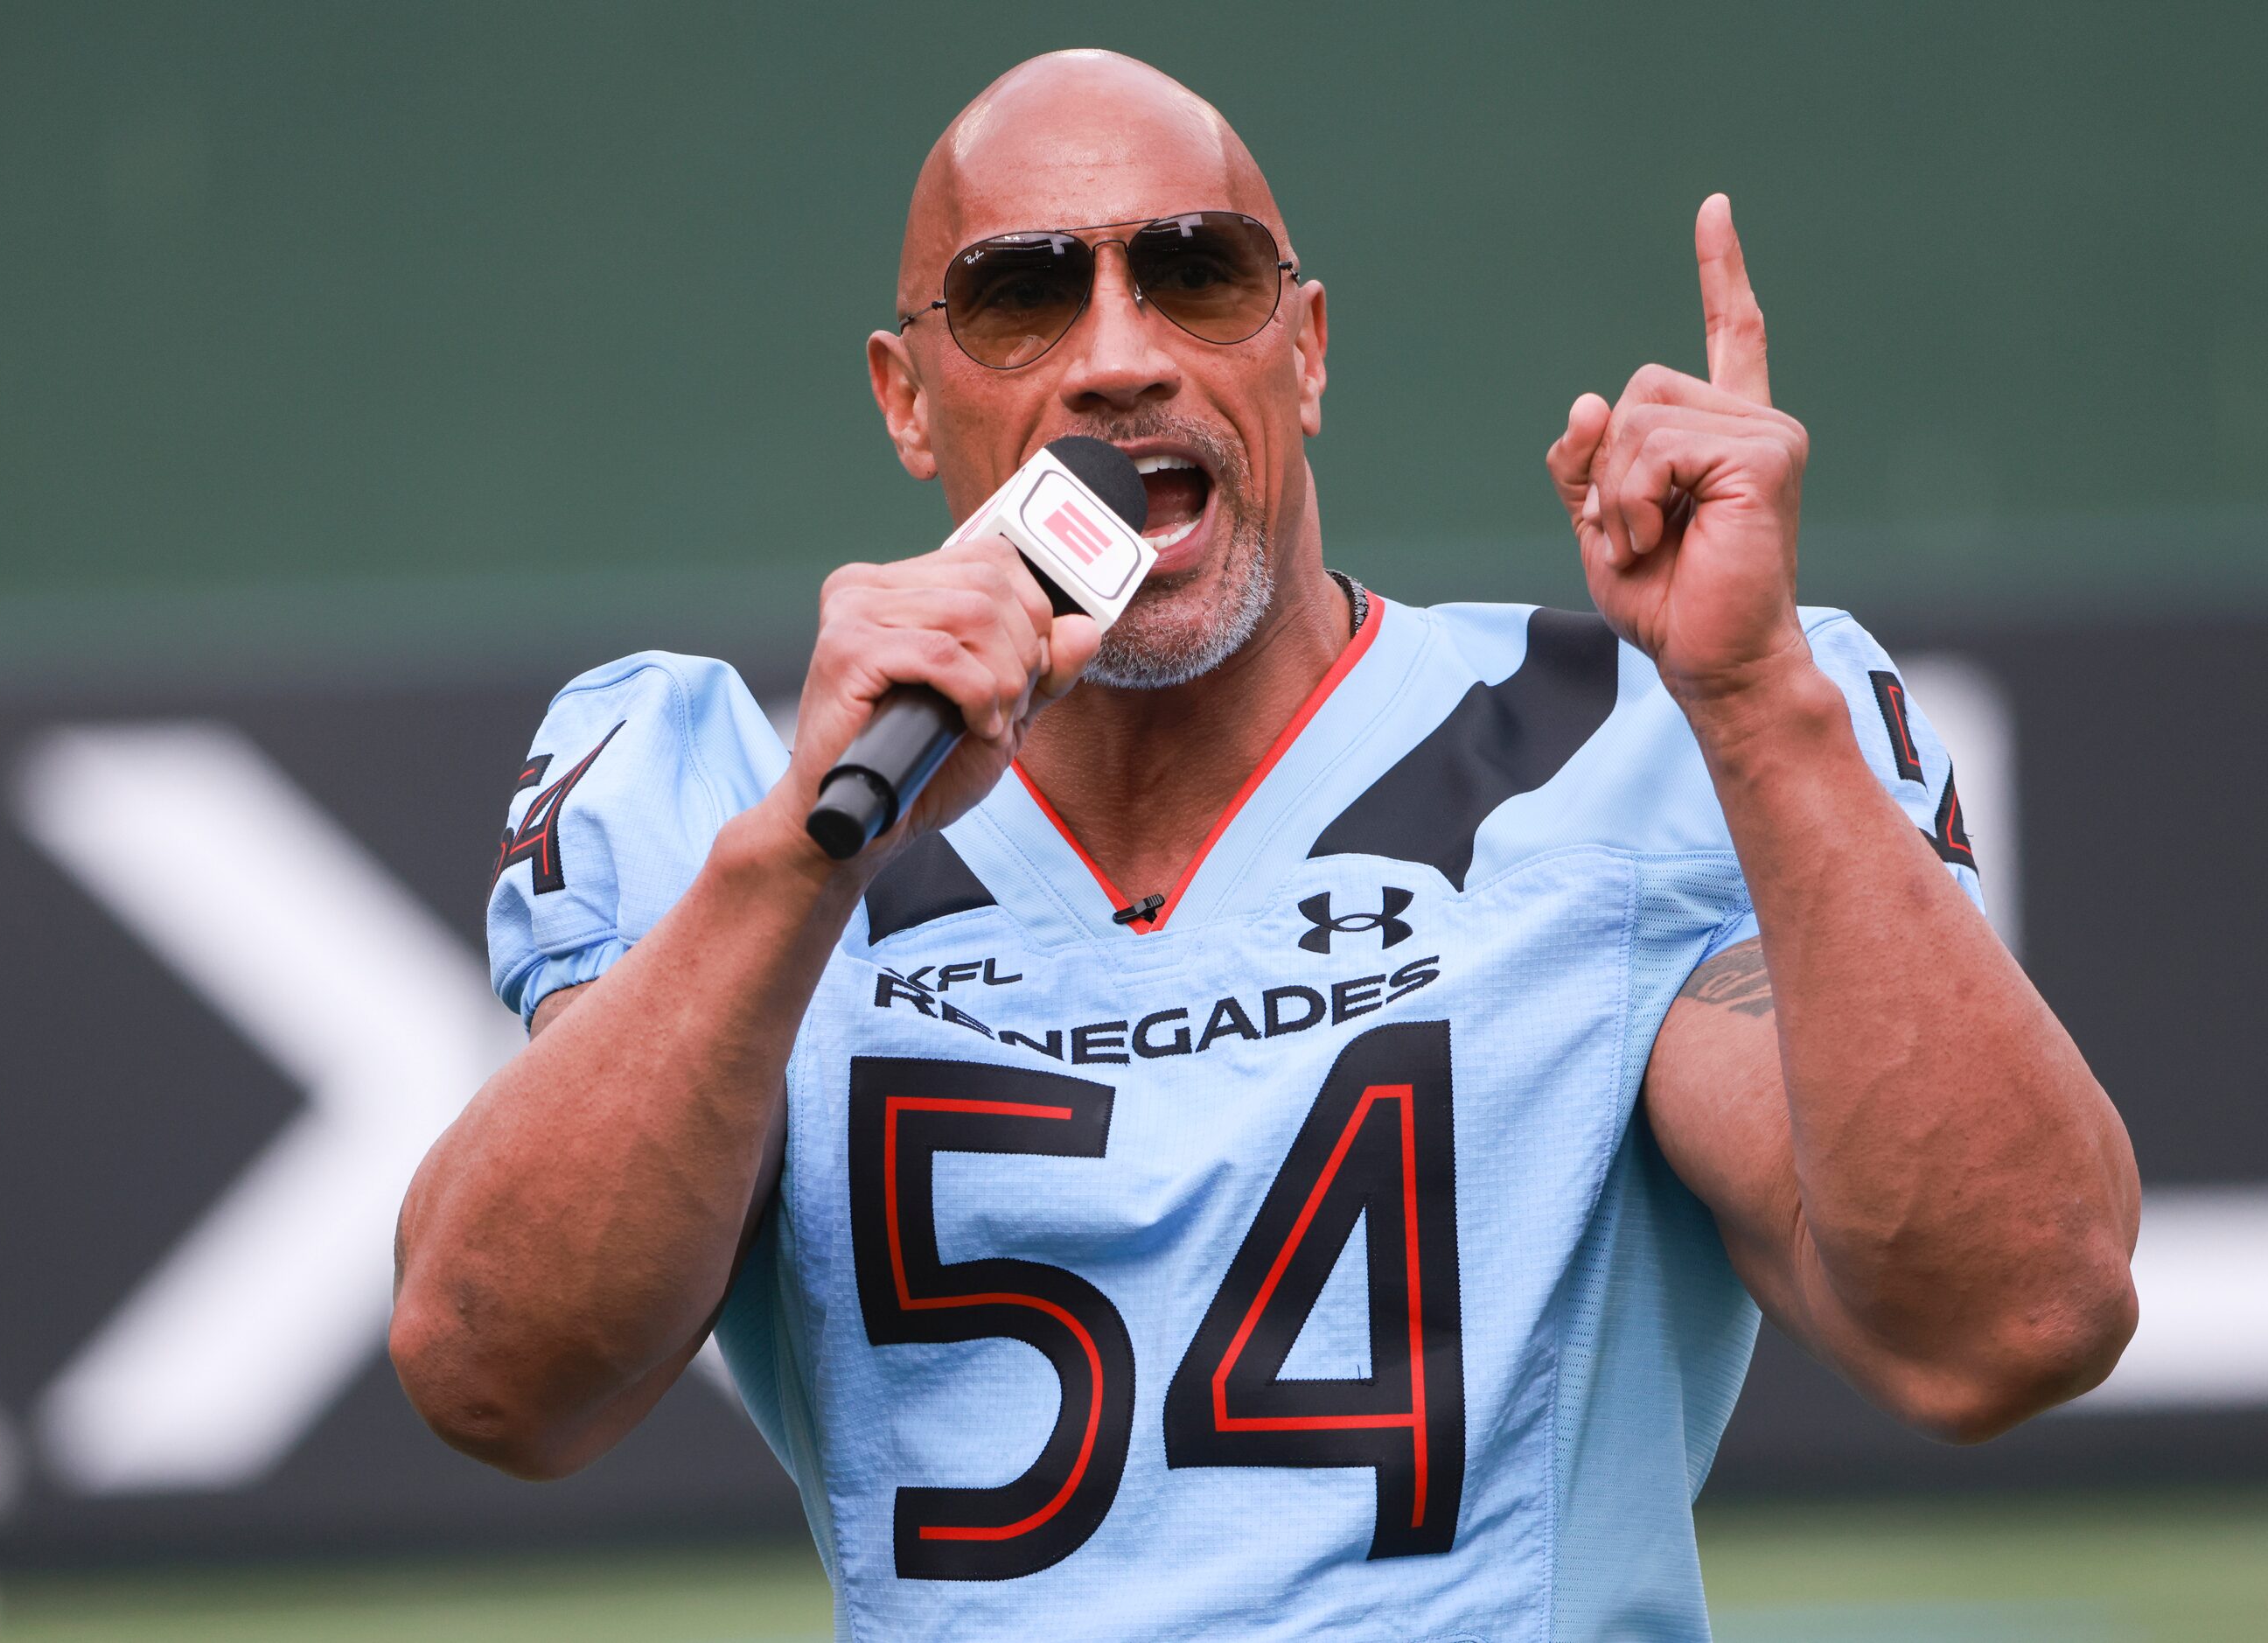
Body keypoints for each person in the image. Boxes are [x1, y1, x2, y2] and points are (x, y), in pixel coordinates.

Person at [388, 49, 2139, 1640]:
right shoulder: (743, 804)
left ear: (1300, 351)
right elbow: (500, 1379)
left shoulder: (1625, 747)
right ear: (907, 399)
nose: (1120, 352)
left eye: (1195, 272)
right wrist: (792, 872)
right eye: (1020, 297)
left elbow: (2008, 1325)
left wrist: (1757, 704)